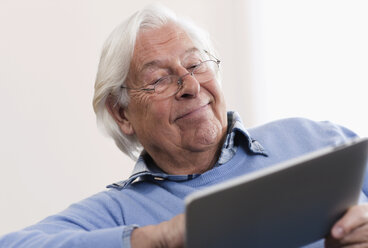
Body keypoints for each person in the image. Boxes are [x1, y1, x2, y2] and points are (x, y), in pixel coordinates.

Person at [1, 4, 368, 248]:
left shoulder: (316, 140)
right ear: (122, 114)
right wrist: (157, 238)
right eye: (159, 78)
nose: (190, 87)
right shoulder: (118, 212)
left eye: (195, 65)